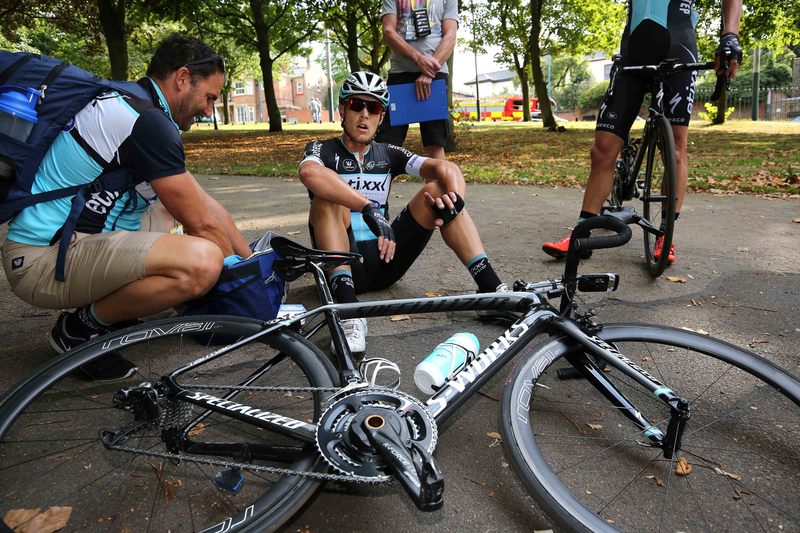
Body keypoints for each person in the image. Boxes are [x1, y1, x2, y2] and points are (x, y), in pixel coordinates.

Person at [1, 34, 252, 381]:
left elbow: (209, 208)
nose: (210, 110)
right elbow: (204, 225)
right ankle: (78, 330)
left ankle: (118, 308)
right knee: (202, 262)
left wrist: (253, 266)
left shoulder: (131, 102)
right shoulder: (147, 122)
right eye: (209, 97)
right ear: (182, 78)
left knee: (168, 211)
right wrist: (245, 296)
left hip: (57, 248)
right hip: (40, 261)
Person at [299, 72, 508, 354]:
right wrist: (367, 207)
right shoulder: (321, 150)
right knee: (327, 199)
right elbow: (309, 172)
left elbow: (446, 169)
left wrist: (456, 201)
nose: (364, 114)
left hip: (387, 260)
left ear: (381, 117)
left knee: (437, 192)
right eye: (356, 105)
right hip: (341, 265)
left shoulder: (388, 153)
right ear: (342, 110)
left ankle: (492, 290)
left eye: (373, 108)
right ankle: (348, 313)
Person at [542, 0, 743, 264]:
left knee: (675, 149)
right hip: (634, 47)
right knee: (603, 149)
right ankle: (583, 232)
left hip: (678, 42)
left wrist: (730, 35)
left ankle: (664, 235)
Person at [376, 0, 457, 159]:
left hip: (436, 73)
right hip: (401, 73)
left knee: (435, 141)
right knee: (388, 142)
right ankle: (379, 183)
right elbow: (388, 32)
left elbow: (450, 35)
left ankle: (436, 184)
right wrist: (418, 58)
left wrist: (429, 72)